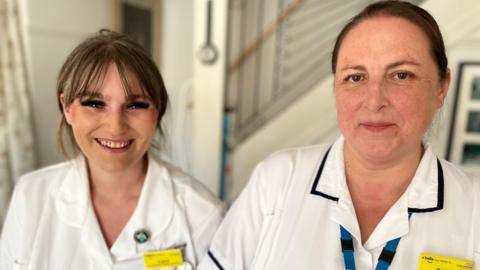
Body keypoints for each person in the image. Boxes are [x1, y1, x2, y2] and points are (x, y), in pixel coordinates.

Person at [198, 1, 480, 269]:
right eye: (356, 77)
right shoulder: (277, 181)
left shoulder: (474, 207)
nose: (374, 101)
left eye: (401, 75)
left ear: (442, 86)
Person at [0, 29, 224, 269]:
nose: (116, 127)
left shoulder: (202, 214)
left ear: (157, 111)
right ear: (66, 107)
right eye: (95, 103)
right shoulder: (30, 197)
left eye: (136, 105)